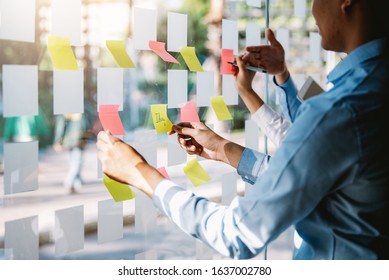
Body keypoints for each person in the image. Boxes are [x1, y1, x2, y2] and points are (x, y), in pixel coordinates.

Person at [97, 0, 389, 259]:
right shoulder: (370, 90)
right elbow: (312, 158)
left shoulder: (343, 109)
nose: (312, 9)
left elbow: (237, 234)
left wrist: (140, 173)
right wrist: (224, 149)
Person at [53, 113, 90, 193]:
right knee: (77, 163)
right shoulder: (81, 111)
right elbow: (86, 125)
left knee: (74, 162)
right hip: (79, 140)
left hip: (69, 140)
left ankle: (75, 184)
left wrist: (58, 140)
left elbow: (61, 126)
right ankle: (69, 182)